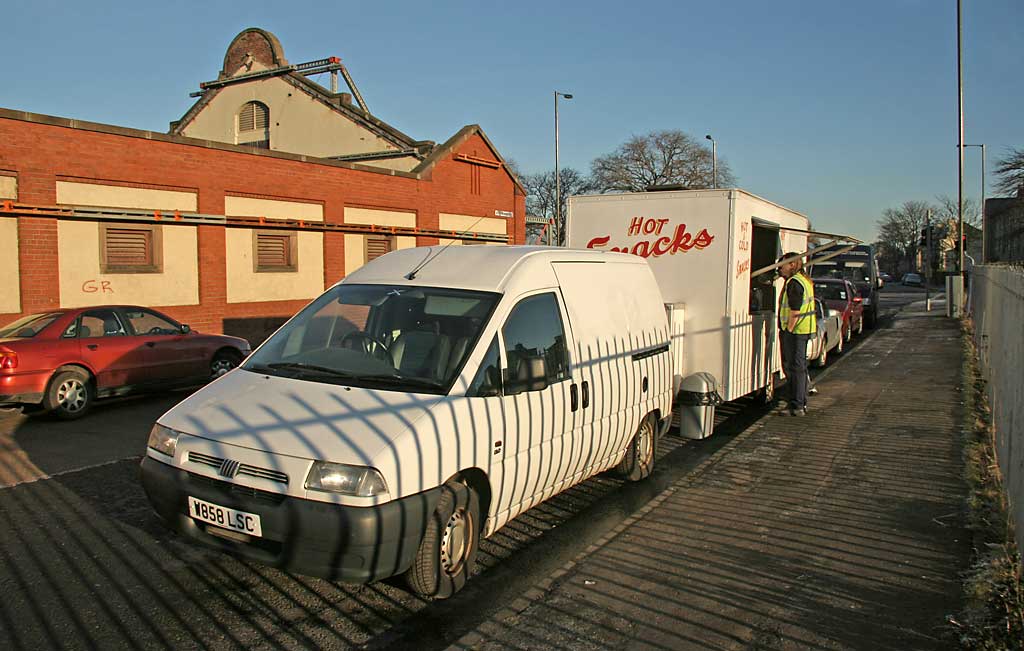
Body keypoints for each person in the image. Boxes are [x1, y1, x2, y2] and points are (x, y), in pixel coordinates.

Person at [777, 252, 816, 416]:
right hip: (804, 329)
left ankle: (797, 405)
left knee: (794, 368)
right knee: (799, 368)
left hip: (795, 331)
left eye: (781, 266)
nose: (779, 269)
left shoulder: (794, 283)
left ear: (792, 265)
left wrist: (788, 329)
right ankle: (799, 402)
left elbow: (795, 309)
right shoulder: (804, 279)